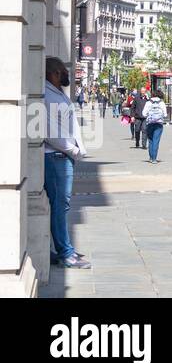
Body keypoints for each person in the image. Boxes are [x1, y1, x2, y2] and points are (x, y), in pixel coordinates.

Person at [43, 57, 90, 270]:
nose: (67, 74)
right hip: (56, 157)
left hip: (62, 156)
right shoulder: (47, 95)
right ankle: (65, 253)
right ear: (54, 73)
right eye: (63, 71)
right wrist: (73, 150)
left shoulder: (55, 93)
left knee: (60, 205)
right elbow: (49, 131)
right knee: (60, 206)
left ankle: (59, 249)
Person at [143, 89, 167, 164]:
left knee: (150, 140)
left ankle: (150, 157)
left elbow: (144, 113)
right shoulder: (162, 103)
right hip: (159, 124)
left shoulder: (148, 102)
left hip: (150, 123)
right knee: (156, 140)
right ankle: (154, 159)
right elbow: (165, 114)